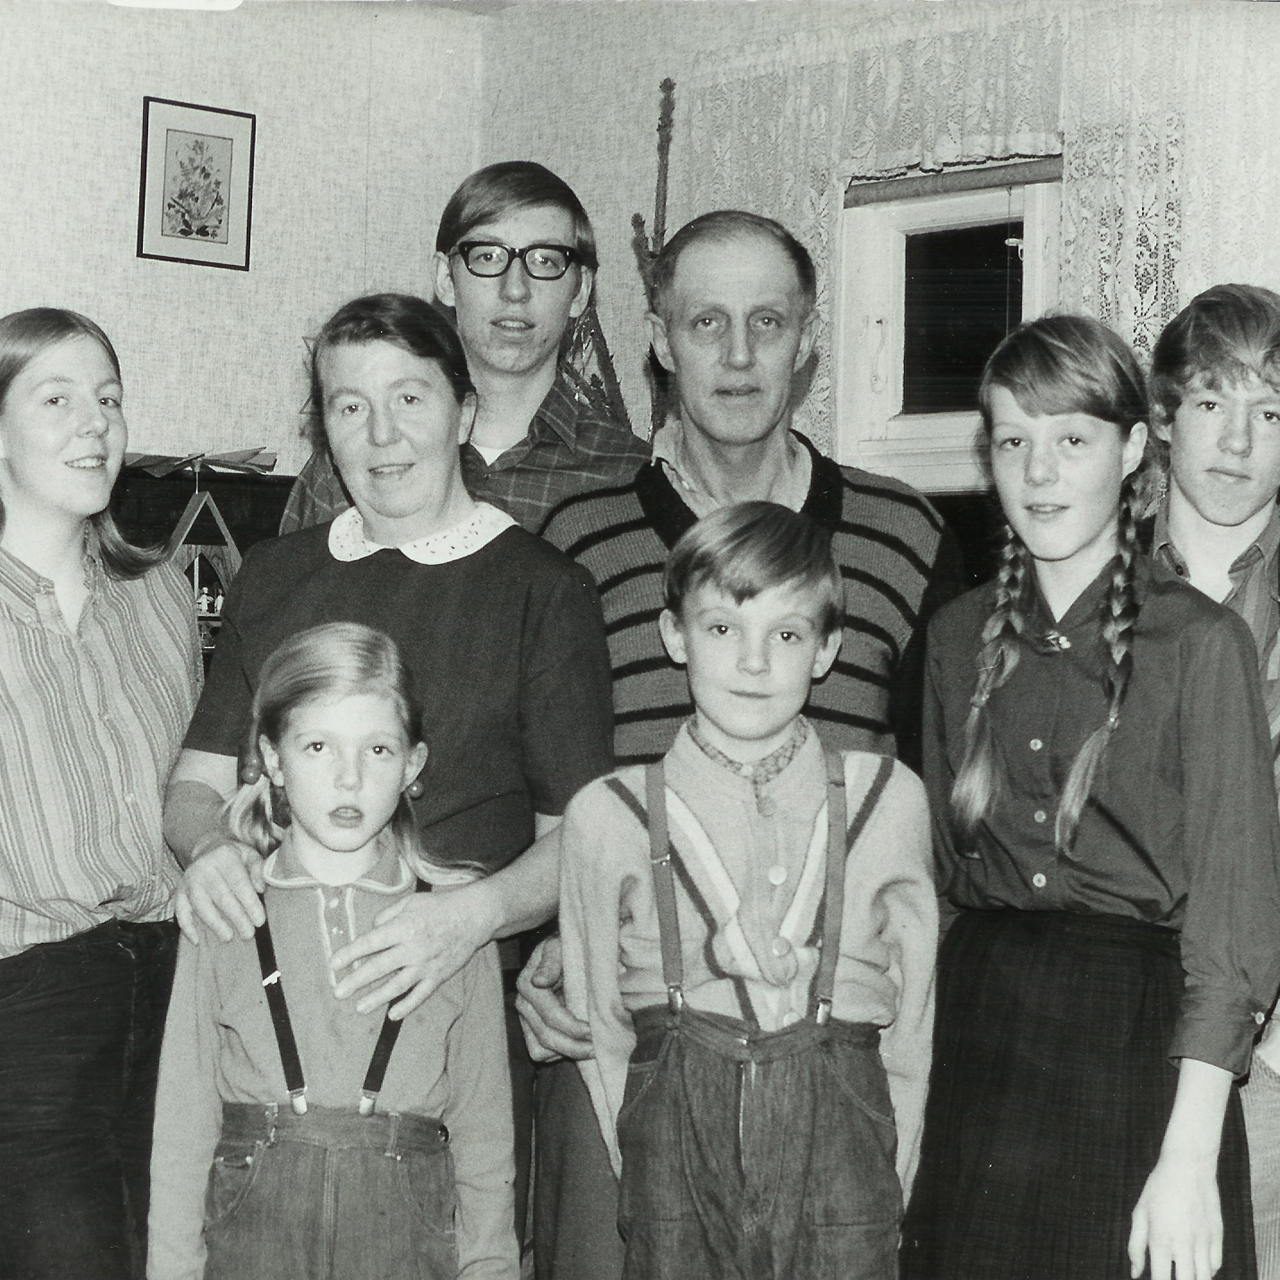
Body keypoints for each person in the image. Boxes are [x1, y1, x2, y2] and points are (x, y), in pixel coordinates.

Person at [524, 209, 963, 1279]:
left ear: (806, 338)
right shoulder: (576, 536)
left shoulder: (906, 534)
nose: (734, 353)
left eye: (764, 322)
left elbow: (940, 814)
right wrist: (533, 944)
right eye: (704, 321)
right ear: (660, 340)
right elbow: (543, 787)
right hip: (635, 1019)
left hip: (834, 1044)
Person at [162, 292, 614, 1251]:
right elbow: (196, 788)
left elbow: (583, 836)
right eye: (348, 404)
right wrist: (210, 854)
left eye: (409, 398)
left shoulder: (543, 590)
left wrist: (470, 915)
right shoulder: (276, 577)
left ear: (462, 409)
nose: (380, 433)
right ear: (321, 426)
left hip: (441, 1038)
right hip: (272, 1038)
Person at [899, 314, 1280, 1280]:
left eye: (1071, 440)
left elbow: (1234, 935)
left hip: (1140, 1064)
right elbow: (940, 892)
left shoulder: (1201, 645)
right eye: (1014, 442)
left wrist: (1189, 1157)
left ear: (1134, 450)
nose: (1039, 473)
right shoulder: (950, 639)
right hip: (983, 1060)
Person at [557, 502, 936, 1280]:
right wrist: (652, 1180)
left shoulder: (886, 800)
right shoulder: (609, 816)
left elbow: (912, 1027)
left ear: (827, 648)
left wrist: (880, 1187)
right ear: (674, 636)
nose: (754, 663)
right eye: (723, 628)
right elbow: (604, 1027)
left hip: (845, 1177)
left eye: (787, 634)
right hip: (678, 1176)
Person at [148, 622, 516, 1280]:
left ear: (412, 765)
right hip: (253, 1234)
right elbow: (182, 1126)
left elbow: (485, 1133)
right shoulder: (225, 907)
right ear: (274, 758)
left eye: (377, 749)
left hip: (406, 1237)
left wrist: (489, 1269)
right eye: (318, 745)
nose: (349, 777)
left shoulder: (451, 920)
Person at [0, 308, 201, 1278]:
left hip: (175, 989)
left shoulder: (161, 593)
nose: (96, 423)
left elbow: (205, 792)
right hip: (26, 1001)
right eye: (57, 397)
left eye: (110, 399)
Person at [280, 160, 649, 536]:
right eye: (488, 257)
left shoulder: (629, 477)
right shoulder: (355, 466)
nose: (515, 290)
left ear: (580, 290)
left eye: (545, 260)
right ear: (445, 278)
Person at [1145, 284, 1280, 1279]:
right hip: (1116, 1034)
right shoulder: (1087, 577)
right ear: (1160, 416)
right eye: (1208, 402)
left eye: (1269, 411)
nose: (1236, 442)